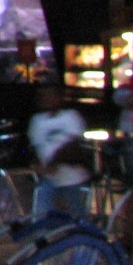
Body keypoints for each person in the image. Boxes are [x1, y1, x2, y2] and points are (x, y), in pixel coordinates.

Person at [28, 84, 91, 218]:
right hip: (49, 177)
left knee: (77, 217)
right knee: (41, 215)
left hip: (73, 178)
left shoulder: (71, 117)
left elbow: (73, 144)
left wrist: (54, 162)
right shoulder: (37, 121)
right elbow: (36, 148)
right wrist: (38, 166)